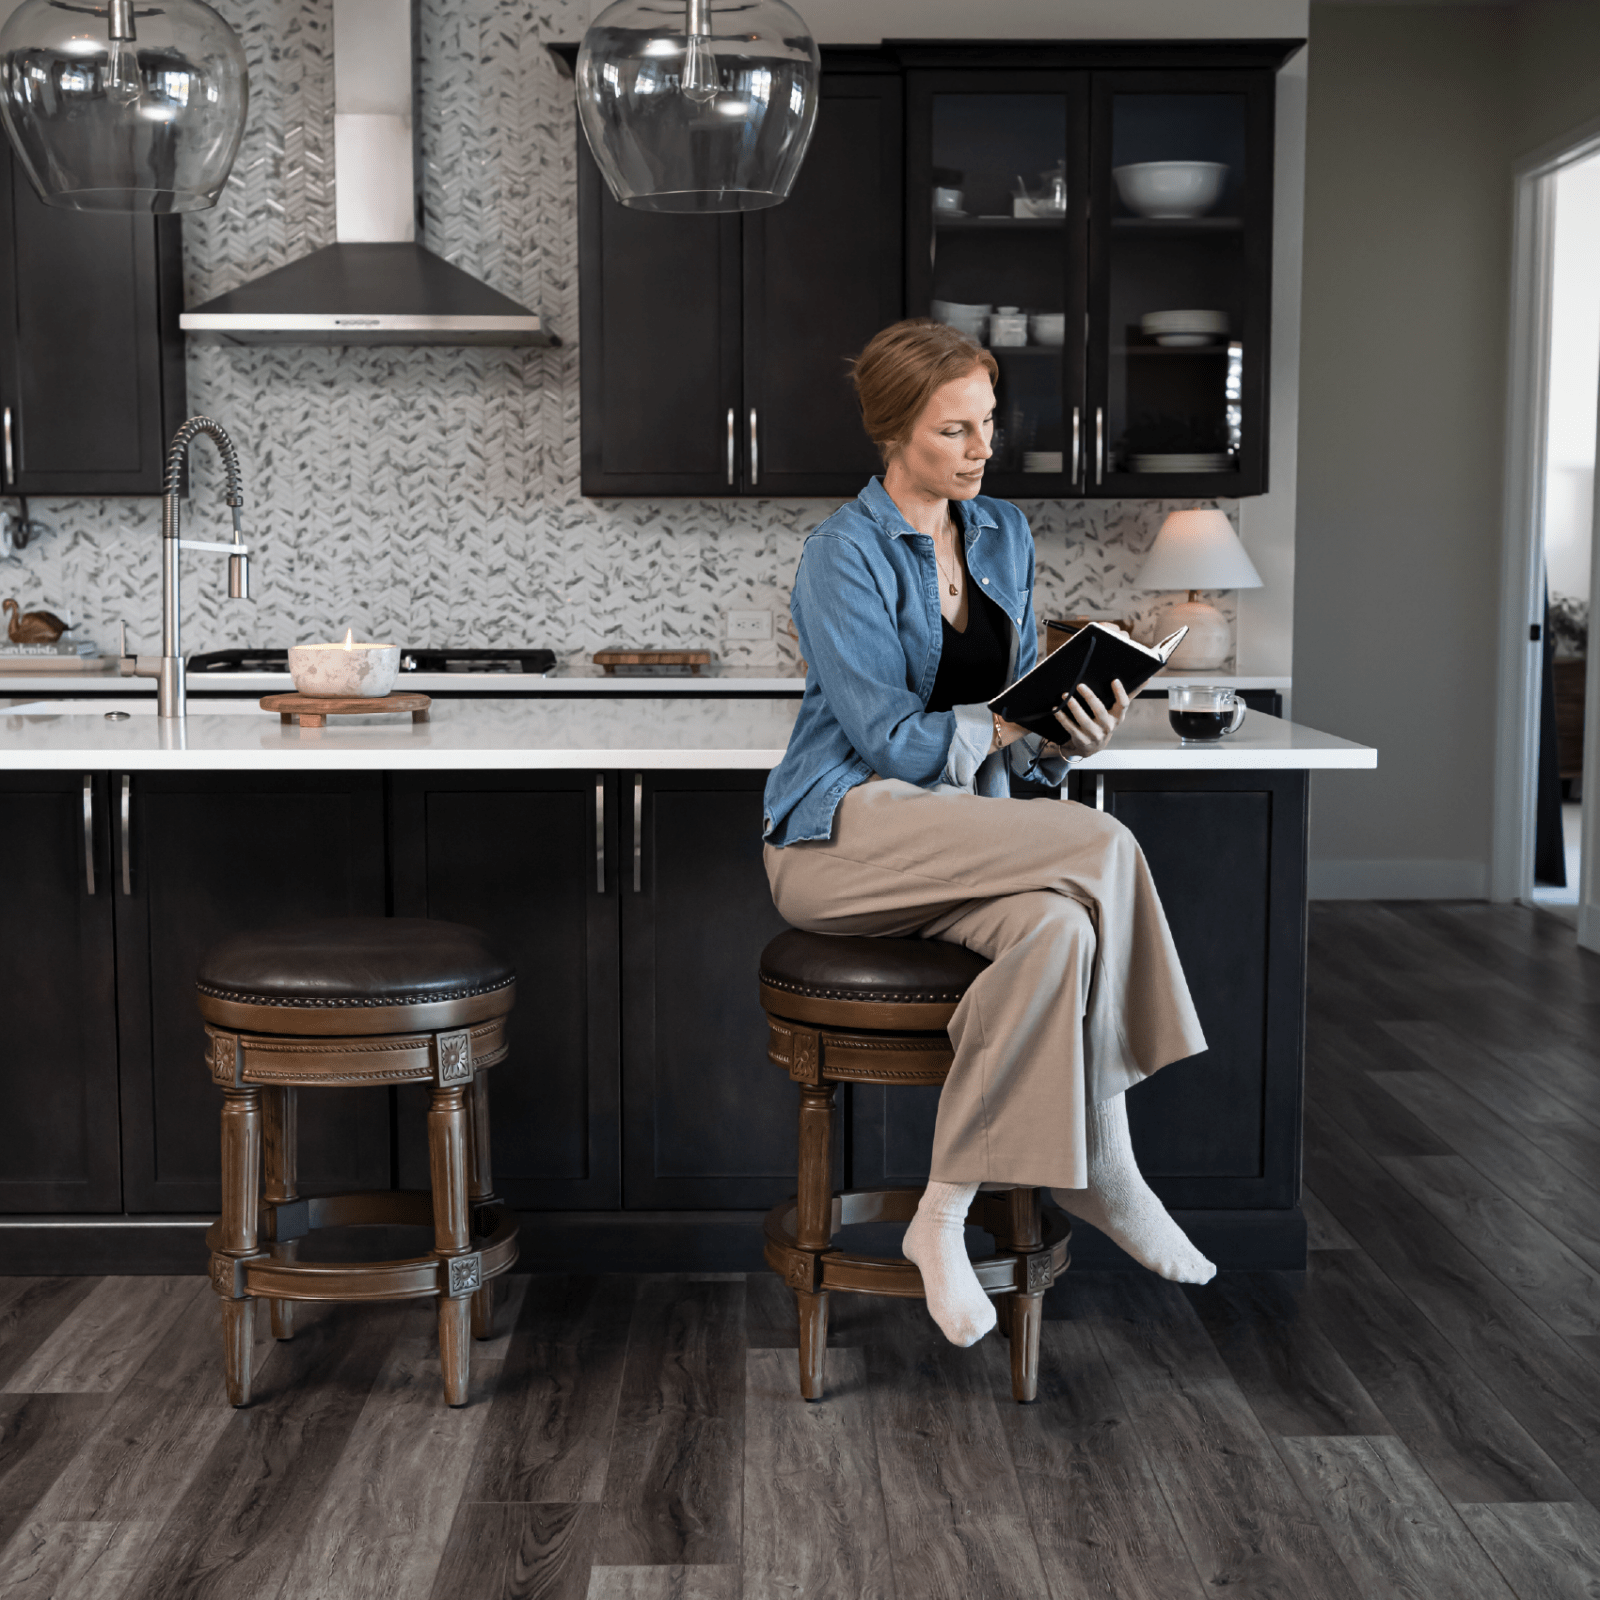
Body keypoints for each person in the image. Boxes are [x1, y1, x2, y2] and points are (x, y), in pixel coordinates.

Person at [762, 319, 1214, 1348]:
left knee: (1062, 930)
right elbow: (884, 736)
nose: (980, 450)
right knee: (1100, 848)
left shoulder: (1003, 533)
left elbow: (1007, 729)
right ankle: (1108, 1156)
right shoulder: (840, 554)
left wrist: (1061, 739)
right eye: (953, 430)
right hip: (840, 833)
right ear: (892, 432)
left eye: (988, 426)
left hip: (961, 829)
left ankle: (942, 1212)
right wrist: (1012, 724)